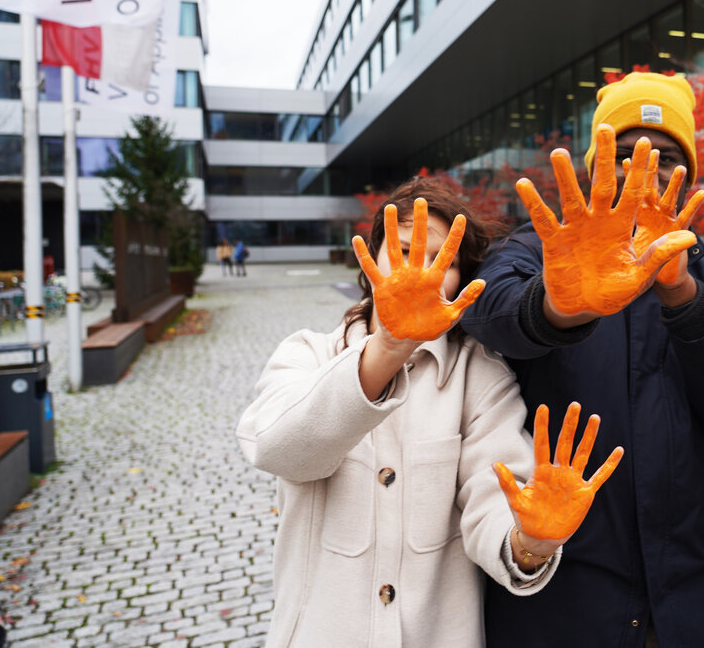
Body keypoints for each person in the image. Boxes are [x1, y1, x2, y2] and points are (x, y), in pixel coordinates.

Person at [237, 177, 622, 648]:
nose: (421, 270)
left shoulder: (478, 375)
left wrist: (532, 542)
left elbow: (493, 493)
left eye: (446, 261)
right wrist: (389, 347)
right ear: (371, 259)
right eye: (402, 249)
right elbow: (282, 451)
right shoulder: (307, 354)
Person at [461, 72, 704, 648]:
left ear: (688, 177)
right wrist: (559, 306)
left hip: (693, 599)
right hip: (563, 599)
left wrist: (682, 297)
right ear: (596, 167)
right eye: (625, 154)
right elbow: (486, 314)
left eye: (666, 157)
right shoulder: (538, 250)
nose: (643, 169)